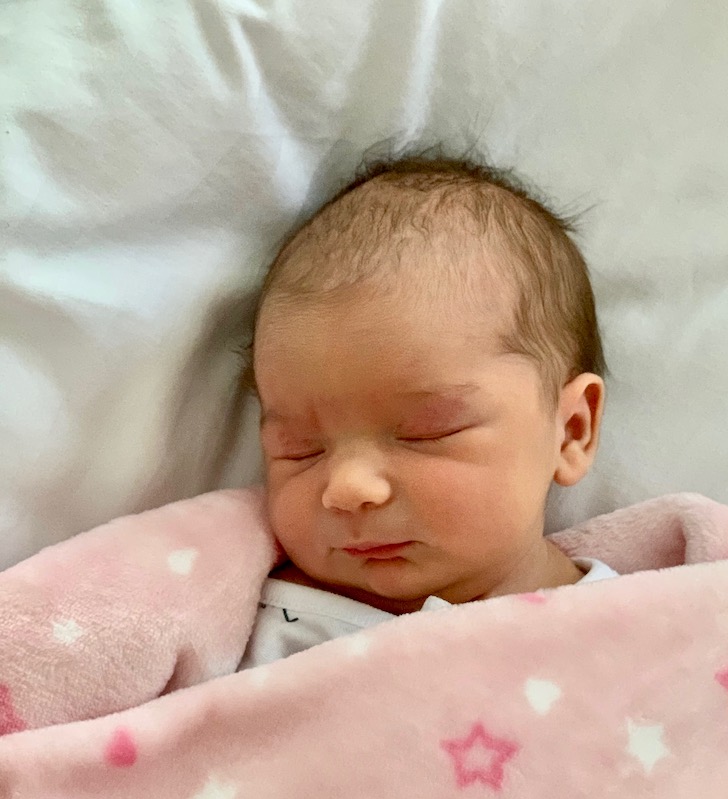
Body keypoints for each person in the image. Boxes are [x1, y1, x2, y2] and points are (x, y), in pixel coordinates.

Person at [238, 152, 616, 667]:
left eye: (425, 433)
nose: (348, 488)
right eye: (300, 450)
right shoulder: (248, 614)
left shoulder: (642, 623)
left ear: (570, 431)